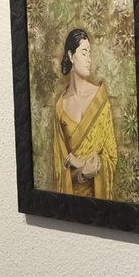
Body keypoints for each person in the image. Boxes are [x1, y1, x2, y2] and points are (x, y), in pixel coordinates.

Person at [51, 28, 117, 198]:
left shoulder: (100, 100)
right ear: (71, 56)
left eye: (90, 53)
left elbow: (111, 158)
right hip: (72, 205)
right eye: (84, 53)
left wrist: (81, 163)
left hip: (100, 203)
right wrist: (82, 172)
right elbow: (62, 170)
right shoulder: (61, 107)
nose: (89, 60)